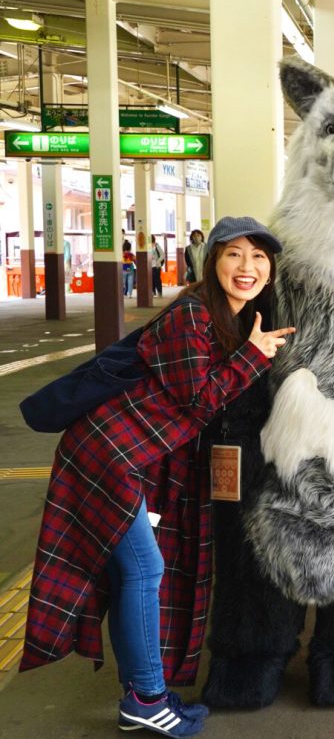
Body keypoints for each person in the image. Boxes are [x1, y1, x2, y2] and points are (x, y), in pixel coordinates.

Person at [20, 217, 295, 738]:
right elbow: (201, 397)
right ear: (211, 261)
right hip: (109, 454)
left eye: (259, 257)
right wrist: (254, 358)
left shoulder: (234, 321)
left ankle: (144, 694)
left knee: (138, 573)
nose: (248, 267)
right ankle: (146, 698)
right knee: (144, 571)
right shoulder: (191, 315)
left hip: (141, 460)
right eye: (234, 254)